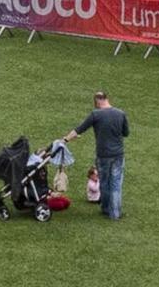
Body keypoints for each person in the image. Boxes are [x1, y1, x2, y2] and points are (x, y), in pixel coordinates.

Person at [62, 91, 130, 221]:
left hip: (103, 155)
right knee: (116, 183)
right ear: (107, 99)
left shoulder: (96, 114)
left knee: (104, 182)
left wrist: (65, 140)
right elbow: (126, 133)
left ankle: (105, 209)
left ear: (97, 102)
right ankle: (115, 214)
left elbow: (79, 129)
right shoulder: (120, 113)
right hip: (118, 154)